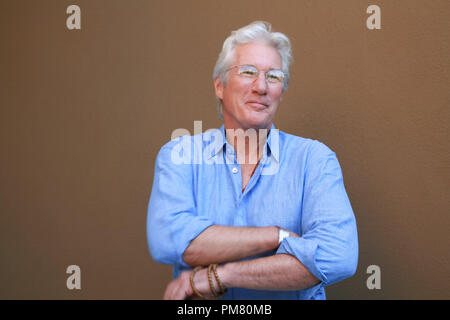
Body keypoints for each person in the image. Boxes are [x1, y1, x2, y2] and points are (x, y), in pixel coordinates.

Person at [146, 21, 358, 300]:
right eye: (248, 72)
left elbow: (337, 256)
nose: (262, 87)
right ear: (219, 86)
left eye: (274, 77)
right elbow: (168, 240)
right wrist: (278, 236)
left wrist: (219, 275)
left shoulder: (314, 160)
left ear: (281, 92)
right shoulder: (181, 155)